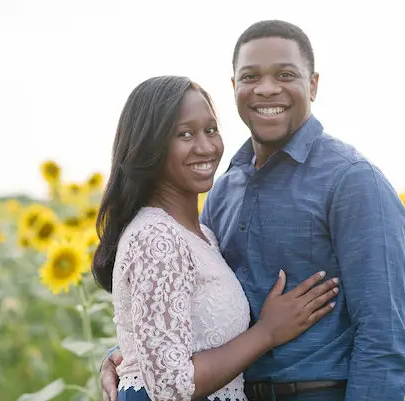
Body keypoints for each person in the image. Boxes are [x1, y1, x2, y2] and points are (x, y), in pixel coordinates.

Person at [100, 20, 405, 401]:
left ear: (312, 84)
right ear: (234, 88)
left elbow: (383, 338)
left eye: (284, 74)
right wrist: (129, 357)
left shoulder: (352, 181)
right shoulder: (223, 189)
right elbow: (196, 312)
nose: (266, 88)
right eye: (250, 76)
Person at [91, 75, 340, 401]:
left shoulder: (202, 234)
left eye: (210, 130)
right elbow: (170, 387)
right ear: (149, 146)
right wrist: (267, 332)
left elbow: (171, 333)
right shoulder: (156, 238)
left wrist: (123, 353)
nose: (206, 147)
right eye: (185, 134)